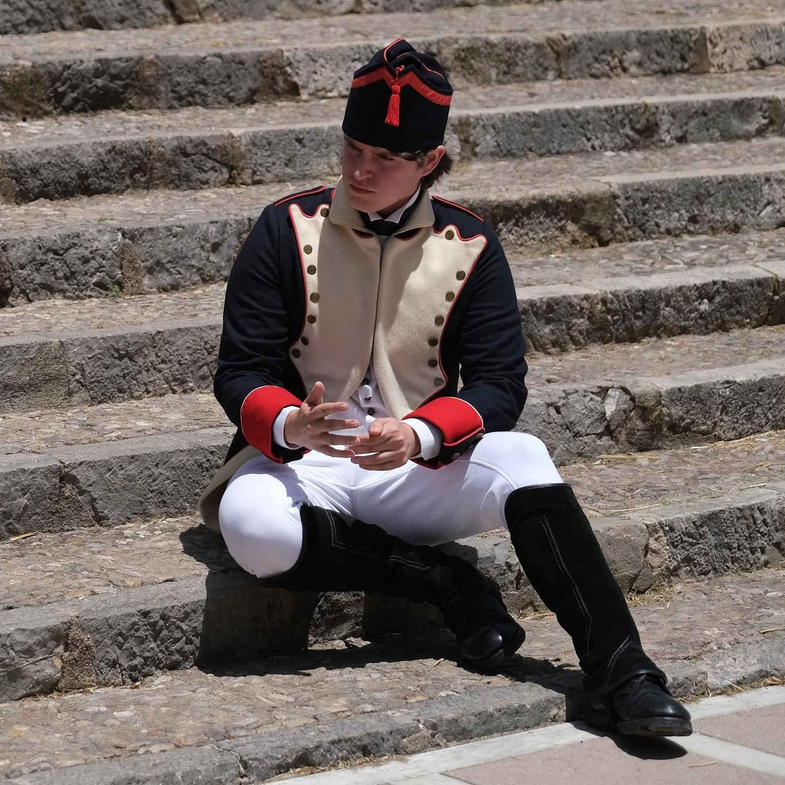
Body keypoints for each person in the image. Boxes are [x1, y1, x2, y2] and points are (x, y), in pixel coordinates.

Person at [197, 40, 691, 738]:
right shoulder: (283, 228)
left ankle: (624, 670)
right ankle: (447, 584)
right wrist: (288, 425)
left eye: (386, 159)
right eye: (352, 148)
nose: (360, 170)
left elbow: (498, 383)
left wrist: (419, 434)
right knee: (250, 524)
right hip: (308, 470)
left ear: (429, 162)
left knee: (524, 458)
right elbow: (239, 370)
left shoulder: (474, 243)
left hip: (416, 466)